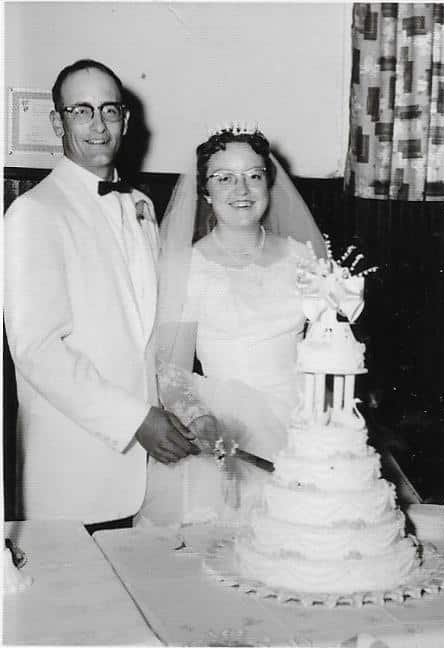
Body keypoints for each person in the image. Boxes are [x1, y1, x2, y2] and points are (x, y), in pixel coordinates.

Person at [4, 59, 205, 529]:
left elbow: (150, 328)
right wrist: (135, 419)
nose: (98, 125)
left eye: (109, 111)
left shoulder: (142, 206)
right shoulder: (33, 214)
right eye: (81, 111)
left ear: (125, 121)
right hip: (75, 474)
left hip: (151, 474)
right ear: (58, 121)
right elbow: (36, 350)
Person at [136, 123, 327, 527]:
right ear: (206, 192)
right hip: (227, 424)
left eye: (253, 176)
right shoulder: (188, 267)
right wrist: (199, 417)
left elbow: (328, 346)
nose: (241, 190)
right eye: (224, 179)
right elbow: (170, 371)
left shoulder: (302, 257)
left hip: (305, 419)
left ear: (268, 184)